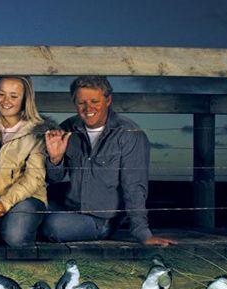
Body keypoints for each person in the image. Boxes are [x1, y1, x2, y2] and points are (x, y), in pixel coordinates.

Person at [41, 76, 176, 246]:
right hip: (69, 210)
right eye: (81, 102)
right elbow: (54, 178)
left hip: (102, 221)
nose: (88, 108)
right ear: (74, 102)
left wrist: (143, 234)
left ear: (108, 100)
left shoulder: (129, 134)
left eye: (94, 101)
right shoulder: (68, 128)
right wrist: (55, 159)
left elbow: (134, 187)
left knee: (53, 225)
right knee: (30, 210)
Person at [0, 76, 56, 247]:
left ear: (25, 99)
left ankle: (22, 225)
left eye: (13, 96)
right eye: (1, 94)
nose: (5, 101)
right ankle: (4, 226)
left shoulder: (38, 131)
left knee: (15, 236)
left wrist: (6, 202)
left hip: (29, 196)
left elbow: (34, 177)